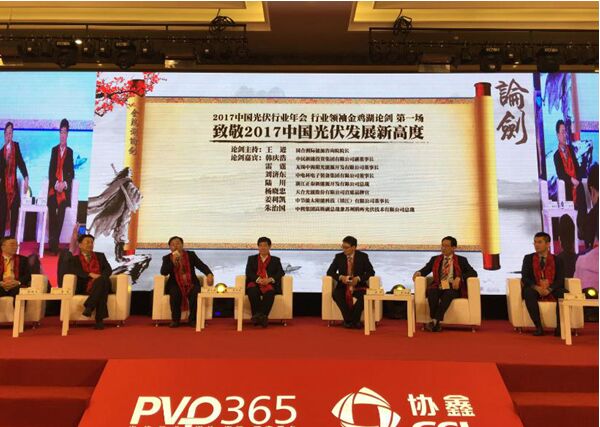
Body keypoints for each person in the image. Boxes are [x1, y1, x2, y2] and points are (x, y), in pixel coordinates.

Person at [412, 236, 477, 332]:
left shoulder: (461, 260)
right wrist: (419, 272)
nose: (443, 248)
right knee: (432, 293)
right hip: (438, 285)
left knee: (448, 294)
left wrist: (460, 278)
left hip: (452, 287)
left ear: (453, 248)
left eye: (446, 246)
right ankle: (436, 321)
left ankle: (434, 321)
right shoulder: (435, 259)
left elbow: (473, 273)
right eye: (442, 245)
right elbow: (425, 270)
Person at [160, 236, 214, 328]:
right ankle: (175, 320)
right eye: (172, 245)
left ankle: (192, 320)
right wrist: (173, 262)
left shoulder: (191, 255)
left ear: (182, 245)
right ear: (170, 248)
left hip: (191, 283)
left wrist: (209, 274)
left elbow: (201, 265)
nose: (175, 246)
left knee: (195, 291)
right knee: (175, 292)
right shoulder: (167, 258)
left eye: (178, 243)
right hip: (175, 283)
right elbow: (163, 272)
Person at [521, 232, 566, 337]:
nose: (536, 245)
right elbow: (525, 277)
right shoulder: (528, 258)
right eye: (535, 242)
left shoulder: (558, 260)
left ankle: (560, 328)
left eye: (539, 242)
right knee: (528, 292)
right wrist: (537, 287)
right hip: (535, 288)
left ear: (548, 244)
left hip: (552, 288)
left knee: (564, 293)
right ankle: (538, 327)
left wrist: (549, 289)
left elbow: (560, 279)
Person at [327, 235, 375, 329]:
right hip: (343, 286)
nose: (344, 249)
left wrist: (358, 279)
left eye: (346, 247)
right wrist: (341, 277)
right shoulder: (339, 257)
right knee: (336, 294)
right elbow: (330, 272)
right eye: (342, 247)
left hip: (358, 286)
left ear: (354, 247)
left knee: (364, 296)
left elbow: (371, 272)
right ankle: (353, 321)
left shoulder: (363, 256)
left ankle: (349, 321)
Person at [69, 234, 112, 330]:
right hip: (86, 286)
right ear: (80, 245)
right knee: (101, 290)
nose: (90, 244)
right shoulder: (74, 259)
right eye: (87, 242)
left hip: (103, 282)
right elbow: (74, 270)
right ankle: (99, 321)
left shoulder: (100, 256)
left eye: (92, 242)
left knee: (101, 281)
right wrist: (89, 274)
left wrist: (101, 277)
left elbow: (108, 270)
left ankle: (89, 306)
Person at [47, 118, 75, 254]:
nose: (62, 135)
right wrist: (56, 183)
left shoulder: (70, 152)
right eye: (61, 132)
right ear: (59, 134)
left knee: (62, 210)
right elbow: (50, 171)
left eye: (65, 132)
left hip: (63, 190)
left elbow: (71, 173)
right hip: (54, 188)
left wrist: (64, 184)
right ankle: (52, 241)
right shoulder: (54, 150)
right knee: (52, 208)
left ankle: (55, 241)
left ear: (67, 134)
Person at [245, 236, 285, 328]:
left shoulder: (275, 260)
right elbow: (248, 272)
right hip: (255, 283)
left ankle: (257, 318)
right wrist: (258, 280)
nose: (262, 248)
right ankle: (262, 319)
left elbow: (281, 272)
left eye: (265, 245)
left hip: (269, 284)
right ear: (258, 247)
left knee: (270, 293)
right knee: (252, 291)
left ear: (269, 246)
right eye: (260, 245)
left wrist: (269, 279)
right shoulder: (251, 258)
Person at [0, 122, 29, 238]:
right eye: (7, 133)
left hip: (14, 188)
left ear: (12, 134)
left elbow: (21, 163)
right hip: (3, 188)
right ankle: (2, 239)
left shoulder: (16, 147)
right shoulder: (1, 152)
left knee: (15, 209)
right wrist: (5, 159)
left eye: (10, 133)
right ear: (4, 135)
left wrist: (26, 177)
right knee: (2, 213)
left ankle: (12, 238)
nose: (9, 136)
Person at [0, 237, 31, 303]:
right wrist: (1, 283)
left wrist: (18, 282)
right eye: (12, 245)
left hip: (16, 286)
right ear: (3, 247)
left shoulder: (23, 259)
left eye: (17, 245)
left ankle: (15, 310)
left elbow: (28, 275)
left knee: (20, 290)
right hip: (1, 285)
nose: (15, 247)